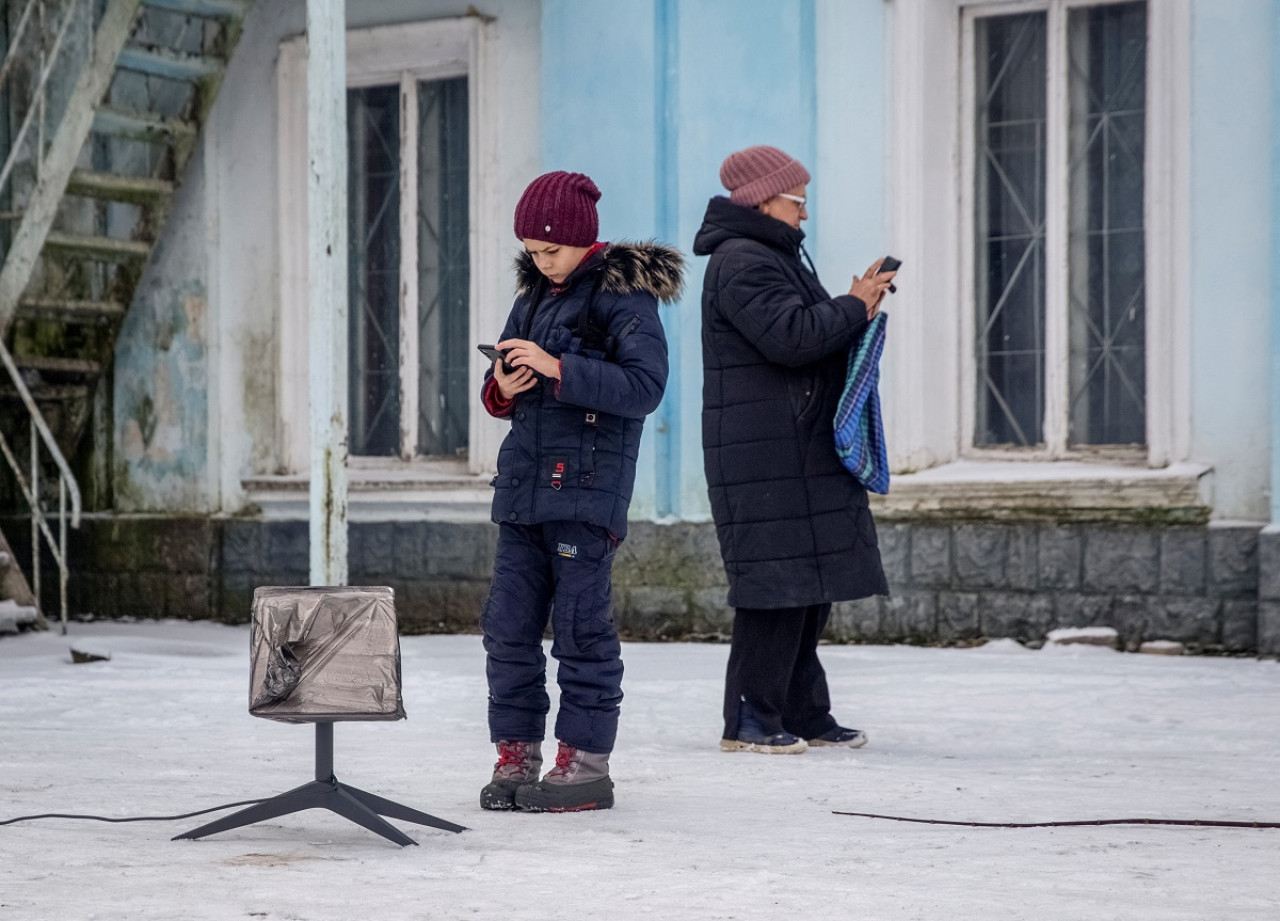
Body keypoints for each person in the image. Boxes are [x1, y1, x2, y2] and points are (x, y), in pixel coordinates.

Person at [478, 170, 684, 811]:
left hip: (588, 491)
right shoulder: (534, 294)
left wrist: (558, 367)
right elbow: (509, 392)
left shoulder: (625, 298)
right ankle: (517, 754)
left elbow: (644, 389)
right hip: (524, 489)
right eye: (532, 253)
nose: (542, 263)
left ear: (582, 241)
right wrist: (504, 387)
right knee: (507, 629)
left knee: (580, 630)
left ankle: (584, 763)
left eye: (551, 251)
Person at [692, 145, 894, 755]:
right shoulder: (741, 262)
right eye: (797, 200)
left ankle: (805, 713)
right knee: (773, 592)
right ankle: (751, 720)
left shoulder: (771, 256)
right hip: (765, 457)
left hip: (794, 448)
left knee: (808, 589)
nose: (805, 214)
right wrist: (855, 304)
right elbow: (793, 338)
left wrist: (855, 309)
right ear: (762, 199)